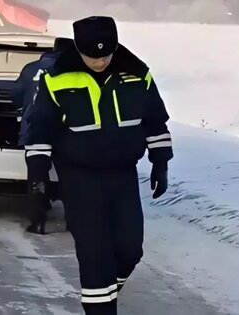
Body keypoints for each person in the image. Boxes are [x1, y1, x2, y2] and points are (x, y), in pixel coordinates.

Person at [24, 16, 172, 314]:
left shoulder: (137, 74)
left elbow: (155, 122)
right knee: (94, 255)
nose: (100, 61)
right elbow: (39, 132)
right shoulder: (56, 78)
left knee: (130, 249)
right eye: (93, 56)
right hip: (79, 178)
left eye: (106, 55)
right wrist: (38, 180)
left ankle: (105, 294)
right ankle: (100, 303)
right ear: (78, 49)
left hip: (122, 175)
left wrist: (160, 162)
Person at [16, 37, 71, 234]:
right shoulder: (73, 71)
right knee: (69, 177)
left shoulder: (30, 68)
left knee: (37, 177)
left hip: (36, 131)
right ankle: (72, 222)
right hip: (64, 133)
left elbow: (15, 96)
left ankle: (38, 222)